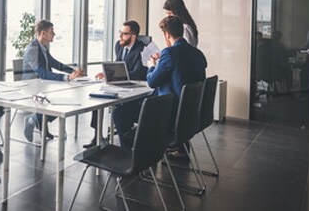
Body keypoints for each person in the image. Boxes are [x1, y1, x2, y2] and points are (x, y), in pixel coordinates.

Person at [146, 15, 207, 156]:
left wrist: (151, 66)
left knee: (130, 111)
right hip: (192, 112)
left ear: (167, 35)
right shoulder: (197, 53)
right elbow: (183, 72)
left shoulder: (169, 53)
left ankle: (143, 154)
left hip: (172, 112)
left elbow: (152, 82)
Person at [84, 20, 148, 148]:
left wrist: (117, 76)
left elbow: (138, 72)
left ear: (133, 36)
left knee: (120, 110)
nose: (120, 36)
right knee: (98, 99)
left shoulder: (142, 49)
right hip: (118, 84)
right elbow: (117, 65)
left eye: (124, 34)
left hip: (135, 86)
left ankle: (127, 145)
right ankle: (98, 137)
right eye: (121, 32)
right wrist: (107, 73)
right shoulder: (118, 46)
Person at [22, 20, 85, 142]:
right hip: (32, 87)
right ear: (43, 33)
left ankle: (36, 120)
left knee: (61, 101)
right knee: (57, 103)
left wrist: (74, 72)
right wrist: (66, 77)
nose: (54, 34)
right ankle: (33, 120)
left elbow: (54, 63)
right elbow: (41, 72)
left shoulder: (42, 47)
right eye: (52, 32)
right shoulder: (32, 49)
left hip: (42, 85)